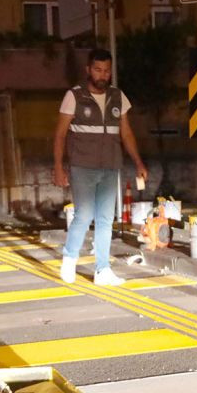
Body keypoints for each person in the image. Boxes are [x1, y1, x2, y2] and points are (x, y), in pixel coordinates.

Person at [52, 49, 148, 286]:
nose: (102, 75)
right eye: (97, 69)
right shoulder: (74, 96)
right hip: (82, 166)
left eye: (106, 70)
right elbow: (60, 134)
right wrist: (58, 166)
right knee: (84, 215)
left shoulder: (118, 97)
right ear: (88, 70)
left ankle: (102, 271)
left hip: (110, 166)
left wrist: (138, 162)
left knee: (106, 219)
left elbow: (126, 132)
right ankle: (69, 259)